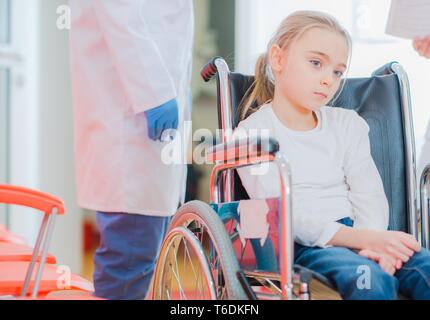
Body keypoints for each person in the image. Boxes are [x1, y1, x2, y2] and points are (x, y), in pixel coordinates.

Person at [235, 11, 430, 300]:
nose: (329, 79)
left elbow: (370, 196)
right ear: (278, 59)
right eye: (316, 63)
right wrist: (364, 242)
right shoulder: (251, 134)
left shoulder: (347, 124)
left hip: (362, 233)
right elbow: (287, 216)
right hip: (303, 244)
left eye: (338, 71)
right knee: (370, 281)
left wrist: (372, 241)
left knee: (424, 267)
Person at [69, 0, 194, 299]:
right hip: (131, 126)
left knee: (138, 257)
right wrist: (156, 96)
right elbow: (122, 18)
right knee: (129, 260)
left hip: (142, 130)